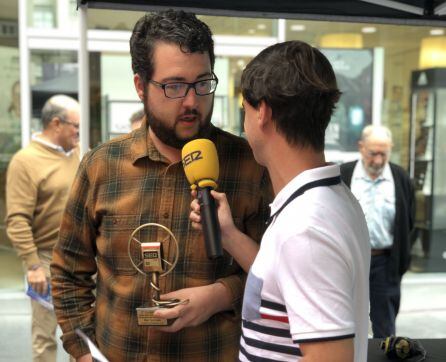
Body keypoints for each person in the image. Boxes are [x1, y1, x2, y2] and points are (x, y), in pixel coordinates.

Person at [50, 9, 271, 362]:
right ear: (140, 86)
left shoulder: (250, 166)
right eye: (174, 86)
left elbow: (280, 276)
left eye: (202, 83)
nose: (191, 102)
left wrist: (221, 294)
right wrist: (84, 352)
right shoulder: (101, 165)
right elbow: (67, 273)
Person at [190, 40, 371, 362]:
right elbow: (283, 280)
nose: (243, 125)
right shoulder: (329, 200)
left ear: (263, 112)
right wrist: (229, 235)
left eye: (244, 110)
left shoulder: (305, 227)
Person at [6, 94, 80, 362]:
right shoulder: (25, 161)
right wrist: (33, 265)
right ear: (56, 123)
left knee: (81, 335)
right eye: (75, 126)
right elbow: (16, 219)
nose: (78, 133)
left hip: (80, 257)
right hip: (47, 260)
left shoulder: (76, 154)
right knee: (44, 336)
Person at [340, 124, 415, 338]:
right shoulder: (343, 175)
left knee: (385, 329)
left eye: (384, 154)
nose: (379, 161)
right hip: (349, 262)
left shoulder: (401, 179)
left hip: (384, 263)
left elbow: (407, 223)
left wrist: (401, 262)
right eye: (373, 153)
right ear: (361, 147)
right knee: (346, 326)